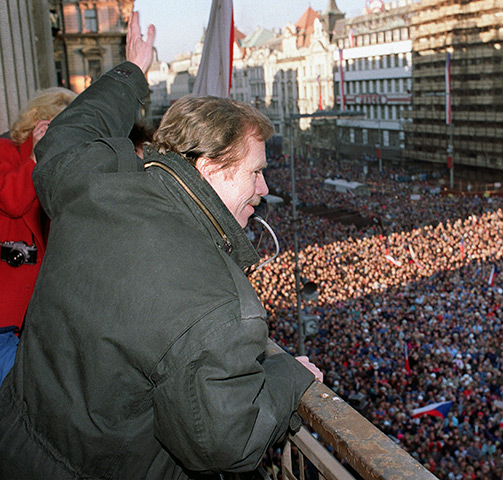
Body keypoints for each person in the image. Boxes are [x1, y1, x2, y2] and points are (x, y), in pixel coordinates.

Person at [0, 11, 321, 480]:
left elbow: (67, 134)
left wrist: (132, 71)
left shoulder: (96, 187)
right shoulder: (216, 302)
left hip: (16, 443)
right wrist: (291, 375)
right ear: (209, 167)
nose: (264, 187)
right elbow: (228, 442)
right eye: (255, 171)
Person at [0, 86, 76, 382]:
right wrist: (34, 157)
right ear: (40, 124)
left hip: (36, 314)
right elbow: (13, 201)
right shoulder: (6, 153)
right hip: (7, 312)